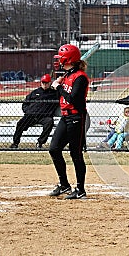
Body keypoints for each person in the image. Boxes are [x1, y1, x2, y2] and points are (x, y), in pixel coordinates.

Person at [48, 44, 89, 200]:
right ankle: (64, 184)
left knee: (75, 154)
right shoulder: (68, 74)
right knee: (54, 149)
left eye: (61, 57)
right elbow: (63, 93)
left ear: (68, 58)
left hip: (77, 117)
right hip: (65, 117)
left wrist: (59, 87)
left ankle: (80, 189)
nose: (59, 60)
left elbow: (73, 99)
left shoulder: (80, 77)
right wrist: (60, 84)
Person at [10, 74, 59, 149]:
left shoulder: (54, 93)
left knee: (49, 122)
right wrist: (28, 111)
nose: (44, 85)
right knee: (20, 123)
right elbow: (25, 104)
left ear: (50, 83)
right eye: (43, 83)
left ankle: (40, 142)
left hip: (45, 117)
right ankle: (15, 143)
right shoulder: (34, 92)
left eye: (46, 83)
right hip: (31, 116)